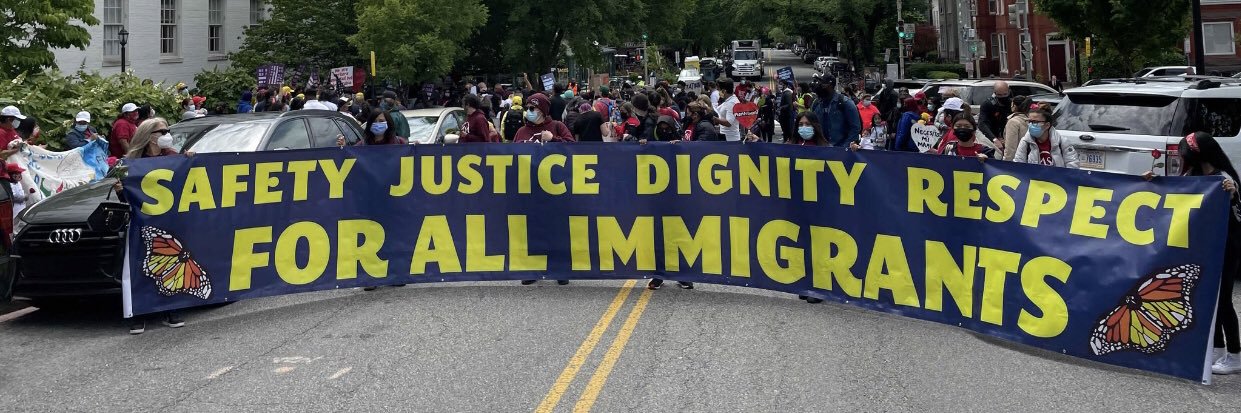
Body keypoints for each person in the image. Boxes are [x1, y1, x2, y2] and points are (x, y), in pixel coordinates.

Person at [1141, 133, 1241, 374]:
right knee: (1209, 297)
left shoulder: (1224, 180)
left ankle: (1236, 354)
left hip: (1227, 247)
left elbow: (1238, 215)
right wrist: (1155, 181)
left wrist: (1233, 194)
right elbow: (1176, 193)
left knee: (1224, 299)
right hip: (1203, 247)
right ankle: (1217, 347)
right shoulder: (1194, 176)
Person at [122, 117, 187, 333]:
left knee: (170, 263)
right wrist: (121, 189)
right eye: (162, 131)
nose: (167, 134)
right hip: (141, 223)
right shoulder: (131, 162)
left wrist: (190, 161)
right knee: (141, 266)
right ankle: (140, 313)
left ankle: (172, 309)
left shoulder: (172, 156)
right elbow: (126, 198)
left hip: (168, 222)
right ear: (149, 136)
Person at [1011, 108, 1078, 168]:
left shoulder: (1062, 141)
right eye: (1029, 122)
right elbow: (1018, 165)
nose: (1031, 125)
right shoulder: (1025, 142)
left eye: (1035, 122)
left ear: (1047, 125)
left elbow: (1072, 165)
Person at [810, 75, 861, 147]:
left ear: (830, 85)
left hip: (840, 150)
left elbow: (855, 129)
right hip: (819, 150)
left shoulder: (845, 103)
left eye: (822, 84)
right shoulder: (816, 103)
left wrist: (843, 149)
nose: (818, 86)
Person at [1002, 96, 1033, 160]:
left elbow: (1011, 147)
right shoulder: (1030, 119)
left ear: (1014, 106)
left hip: (1017, 160)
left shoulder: (1013, 122)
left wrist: (1007, 162)